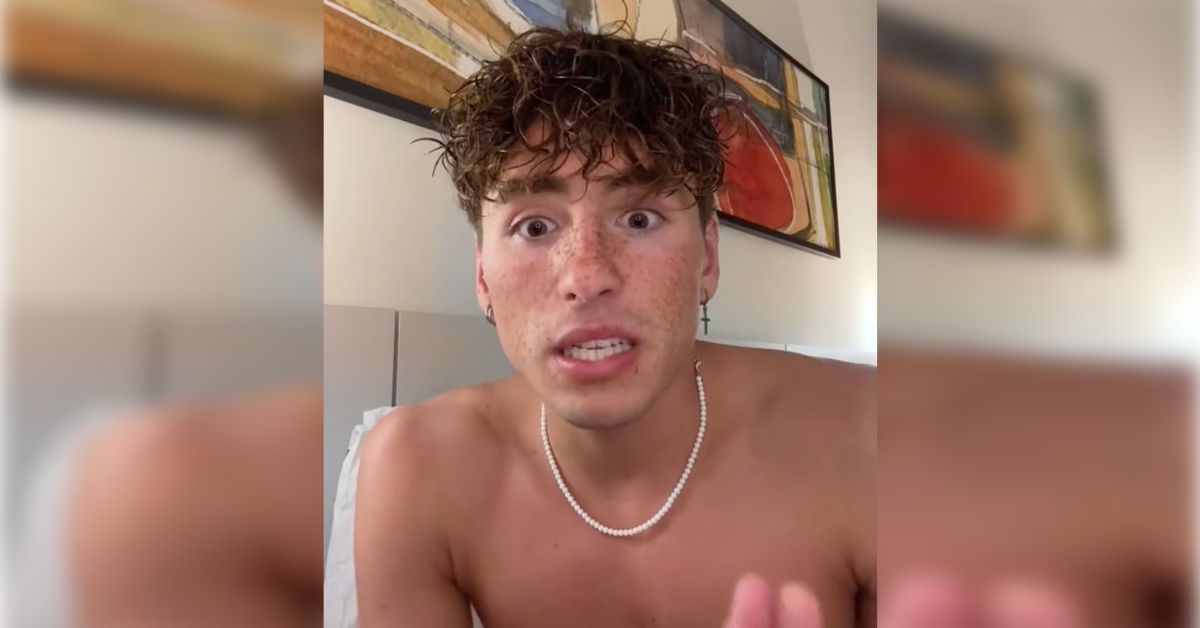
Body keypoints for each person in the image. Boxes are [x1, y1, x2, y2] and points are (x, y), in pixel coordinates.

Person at [354, 28, 876, 628]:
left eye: (639, 218)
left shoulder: (873, 439)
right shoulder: (414, 469)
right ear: (482, 277)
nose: (587, 276)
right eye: (534, 227)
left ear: (707, 259)